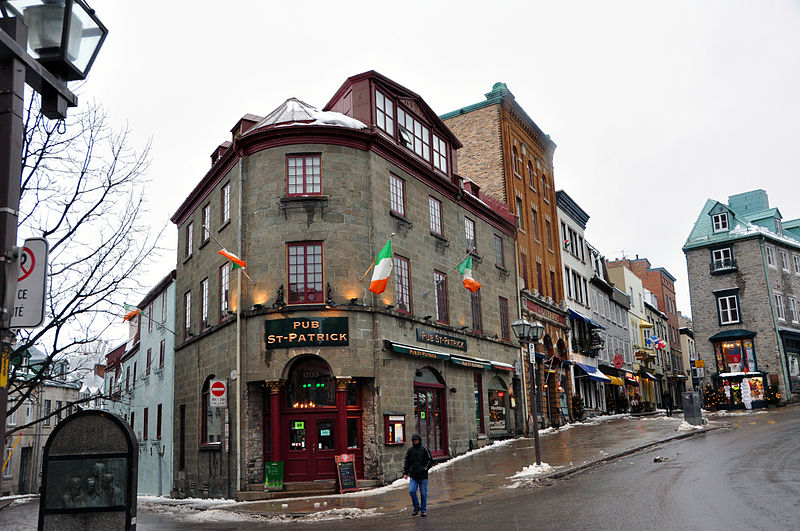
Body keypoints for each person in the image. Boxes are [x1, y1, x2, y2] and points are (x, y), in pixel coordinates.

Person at [403, 433, 433, 517]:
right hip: (414, 476)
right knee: (412, 491)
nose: (415, 441)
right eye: (414, 440)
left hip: (423, 476)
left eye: (416, 440)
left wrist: (425, 469)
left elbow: (430, 460)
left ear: (419, 440)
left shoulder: (424, 449)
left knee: (423, 494)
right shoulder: (410, 450)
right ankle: (416, 507)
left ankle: (423, 510)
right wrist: (405, 473)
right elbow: (407, 462)